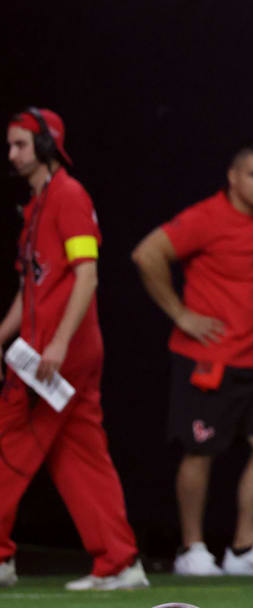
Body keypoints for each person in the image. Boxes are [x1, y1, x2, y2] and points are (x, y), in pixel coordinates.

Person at [131, 145, 253, 576]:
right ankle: (193, 550)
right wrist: (181, 314)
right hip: (209, 359)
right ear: (233, 177)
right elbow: (146, 254)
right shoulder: (206, 217)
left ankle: (243, 549)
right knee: (199, 450)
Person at [0, 108, 148, 590]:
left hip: (58, 355)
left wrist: (60, 342)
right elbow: (32, 288)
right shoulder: (39, 202)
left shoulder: (67, 195)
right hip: (46, 350)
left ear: (44, 145)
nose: (12, 154)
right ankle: (120, 562)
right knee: (79, 454)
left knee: (9, 444)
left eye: (21, 144)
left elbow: (87, 273)